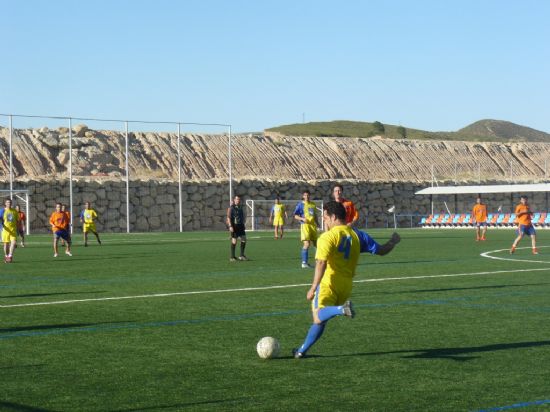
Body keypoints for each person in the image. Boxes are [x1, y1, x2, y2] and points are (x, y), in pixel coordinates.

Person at [293, 201, 400, 358]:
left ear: (334, 217)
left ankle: (341, 309)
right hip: (346, 286)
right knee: (321, 319)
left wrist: (313, 287)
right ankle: (301, 351)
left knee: (318, 315)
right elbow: (381, 250)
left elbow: (321, 263)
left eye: (325, 217)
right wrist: (392, 241)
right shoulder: (358, 235)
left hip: (329, 283)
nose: (324, 221)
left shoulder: (327, 237)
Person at [294, 190, 319, 268]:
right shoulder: (300, 205)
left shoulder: (313, 204)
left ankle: (318, 261)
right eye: (305, 195)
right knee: (307, 244)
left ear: (309, 196)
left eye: (308, 195)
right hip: (305, 226)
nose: (307, 197)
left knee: (317, 244)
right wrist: (302, 219)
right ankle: (304, 263)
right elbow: (295, 216)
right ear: (303, 196)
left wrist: (317, 223)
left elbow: (315, 215)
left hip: (313, 226)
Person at [226, 195, 248, 261]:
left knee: (244, 239)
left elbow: (242, 217)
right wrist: (230, 226)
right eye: (237, 199)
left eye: (239, 199)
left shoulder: (240, 207)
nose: (238, 200)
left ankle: (241, 255)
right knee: (234, 241)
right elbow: (228, 217)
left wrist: (243, 224)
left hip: (241, 226)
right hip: (234, 226)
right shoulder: (231, 208)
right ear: (234, 200)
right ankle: (232, 257)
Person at [0, 199, 19, 263]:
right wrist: (1, 225)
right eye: (7, 202)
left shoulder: (14, 211)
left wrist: (18, 229)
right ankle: (6, 256)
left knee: (14, 242)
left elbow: (17, 221)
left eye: (10, 202)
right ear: (5, 203)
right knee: (6, 244)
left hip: (13, 230)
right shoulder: (2, 211)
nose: (9, 203)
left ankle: (10, 256)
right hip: (5, 230)